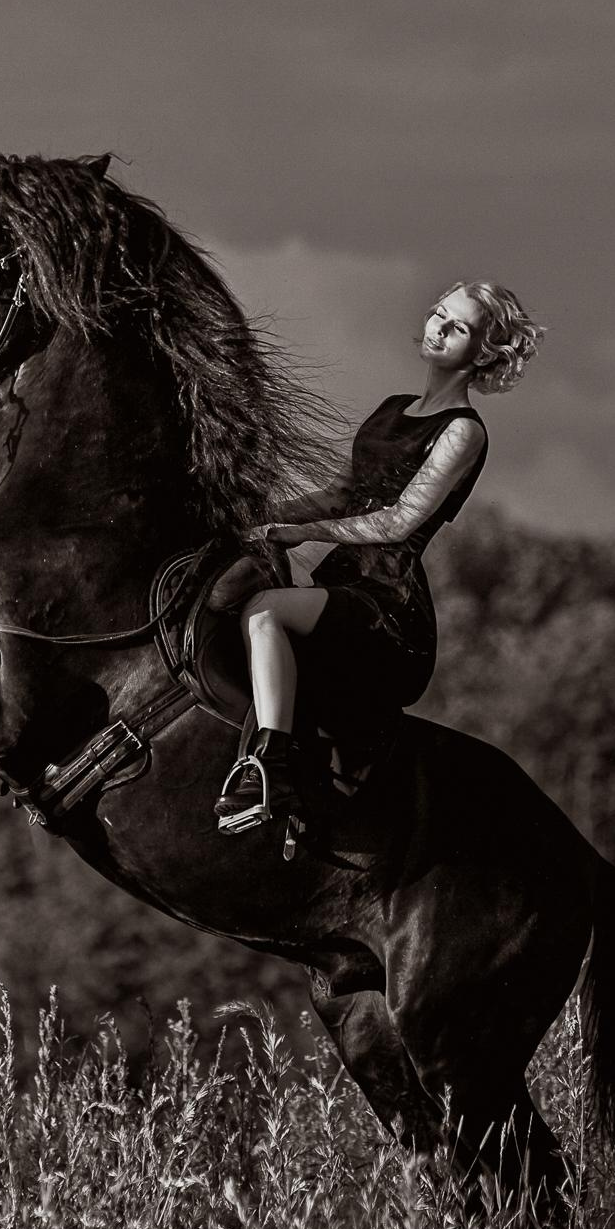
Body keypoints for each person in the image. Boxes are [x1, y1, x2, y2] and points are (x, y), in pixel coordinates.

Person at [215, 279, 545, 838]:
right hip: (342, 581)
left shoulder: (463, 431)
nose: (438, 327)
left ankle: (268, 766)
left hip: (386, 605)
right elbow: (339, 494)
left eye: (458, 326)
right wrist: (254, 516)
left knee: (266, 611)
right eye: (439, 314)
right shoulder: (392, 408)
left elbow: (398, 521)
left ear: (485, 352)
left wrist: (298, 532)